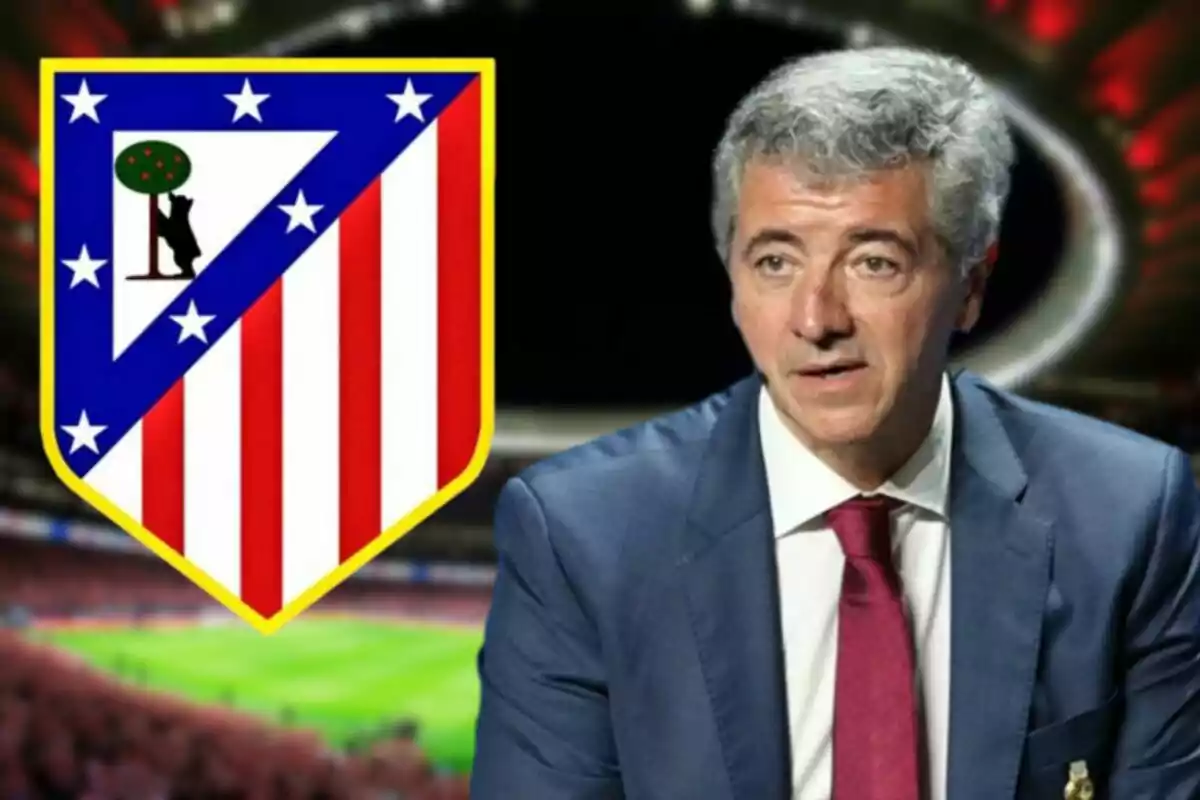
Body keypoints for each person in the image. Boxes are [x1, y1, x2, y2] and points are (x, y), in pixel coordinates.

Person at [469, 45, 1200, 800]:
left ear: (973, 284)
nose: (816, 320)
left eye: (874, 262)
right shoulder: (582, 532)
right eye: (775, 263)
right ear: (731, 280)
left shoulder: (1129, 514)